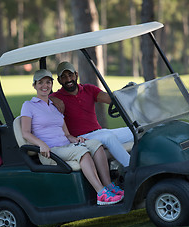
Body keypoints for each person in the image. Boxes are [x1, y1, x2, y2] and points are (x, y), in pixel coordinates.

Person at [20, 69, 124, 205]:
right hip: (50, 151)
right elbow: (25, 132)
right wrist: (41, 144)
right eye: (40, 83)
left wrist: (75, 139)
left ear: (52, 84)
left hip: (66, 146)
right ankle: (101, 194)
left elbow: (67, 134)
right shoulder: (29, 106)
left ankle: (109, 185)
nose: (44, 86)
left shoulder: (55, 106)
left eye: (48, 82)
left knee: (95, 145)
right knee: (83, 152)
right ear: (34, 85)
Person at [50, 61, 133, 167]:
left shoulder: (88, 89)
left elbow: (110, 99)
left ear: (76, 75)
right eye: (64, 77)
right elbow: (41, 103)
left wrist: (128, 91)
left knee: (135, 130)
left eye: (70, 75)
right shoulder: (56, 97)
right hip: (81, 138)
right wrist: (51, 97)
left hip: (99, 132)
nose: (68, 80)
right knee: (108, 137)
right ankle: (131, 168)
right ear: (59, 80)